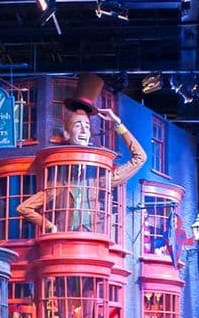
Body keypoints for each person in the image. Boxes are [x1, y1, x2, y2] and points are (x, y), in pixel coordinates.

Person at [18, 98, 146, 233]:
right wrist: (50, 226)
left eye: (87, 126)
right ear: (67, 134)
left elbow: (140, 157)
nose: (84, 131)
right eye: (78, 126)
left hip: (95, 238)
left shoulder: (99, 180)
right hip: (65, 238)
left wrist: (117, 123)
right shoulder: (59, 183)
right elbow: (24, 208)